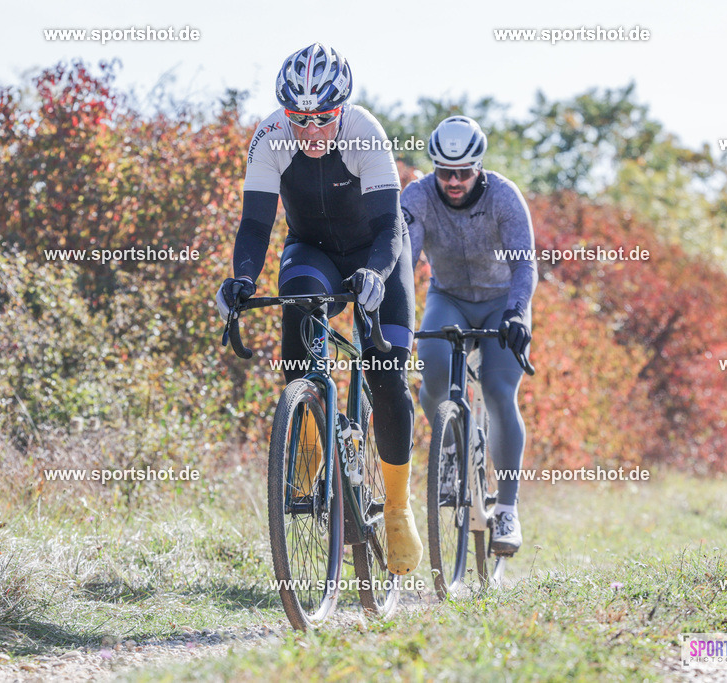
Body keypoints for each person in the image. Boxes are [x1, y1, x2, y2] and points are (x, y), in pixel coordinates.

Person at [215, 43, 422, 575]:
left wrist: (375, 274)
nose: (309, 132)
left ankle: (397, 507)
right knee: (296, 317)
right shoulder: (268, 137)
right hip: (312, 251)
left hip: (377, 252)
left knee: (386, 374)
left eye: (322, 119)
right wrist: (240, 281)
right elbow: (256, 226)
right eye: (298, 119)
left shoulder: (365, 132)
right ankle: (309, 437)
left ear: (342, 109)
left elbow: (386, 227)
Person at [402, 116, 536, 554]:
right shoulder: (418, 197)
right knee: (434, 375)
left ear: (479, 167)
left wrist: (517, 313)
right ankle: (449, 449)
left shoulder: (504, 196)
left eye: (463, 172)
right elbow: (405, 257)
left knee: (499, 391)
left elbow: (525, 265)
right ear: (433, 167)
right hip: (449, 297)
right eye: (444, 172)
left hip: (502, 302)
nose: (454, 181)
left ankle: (508, 510)